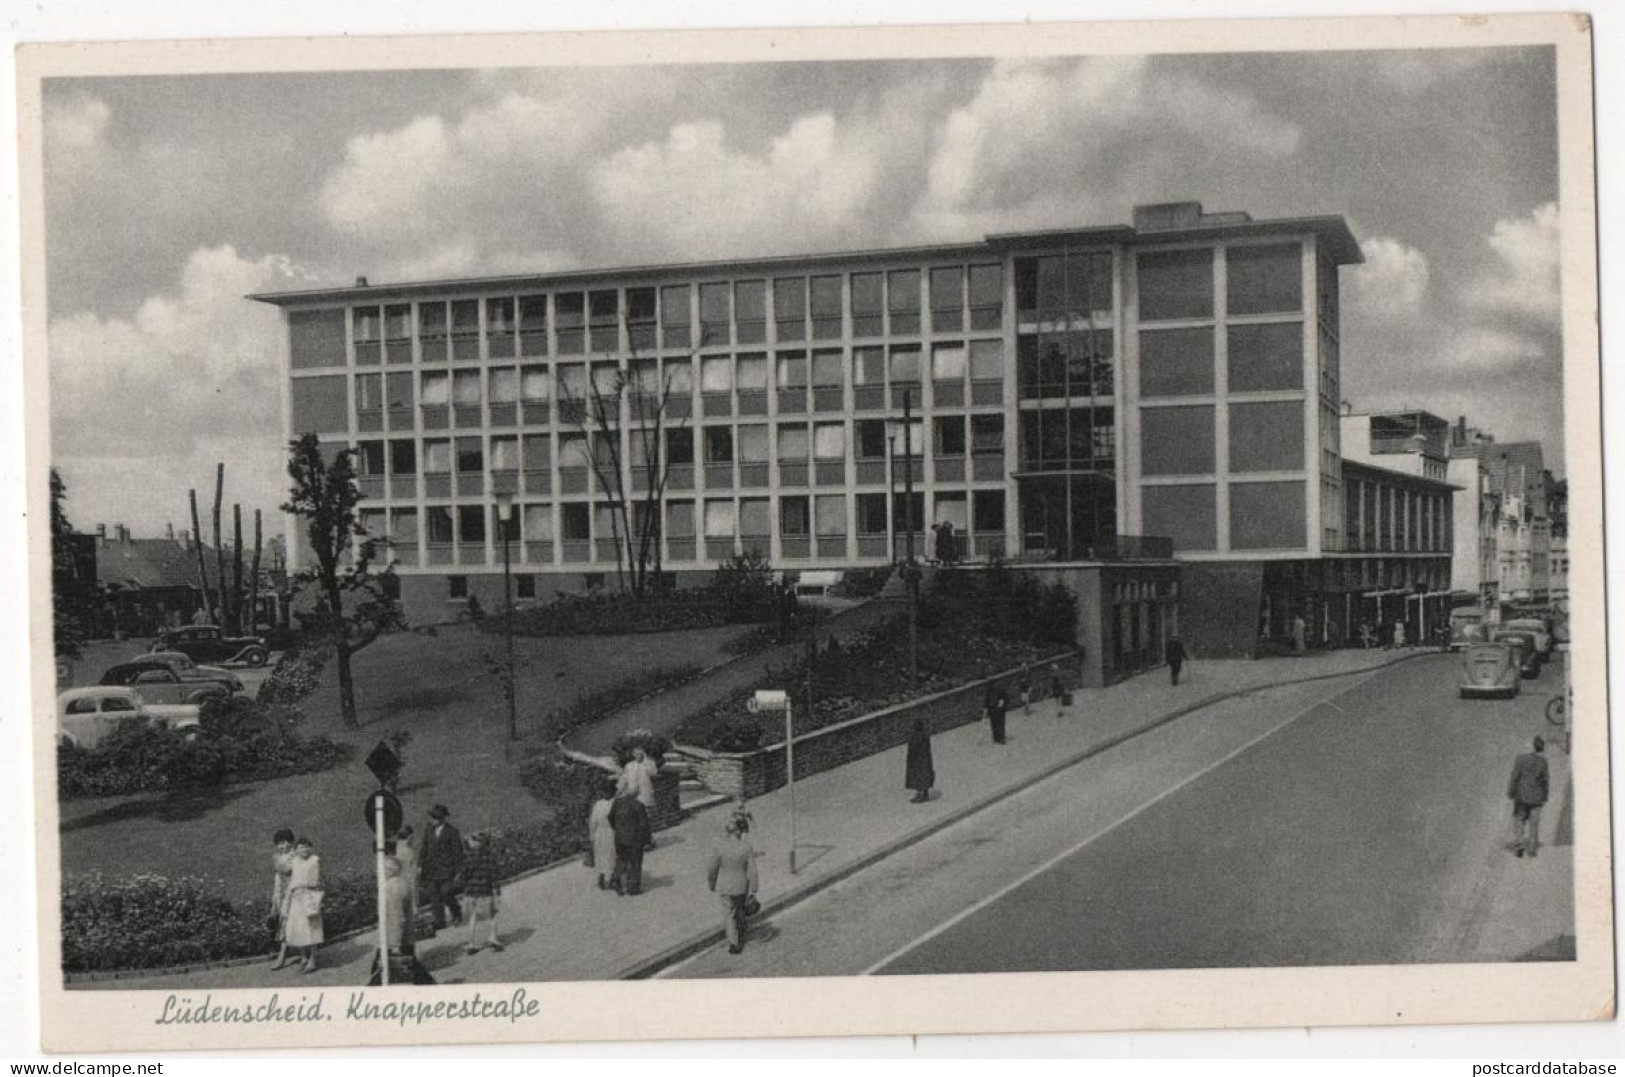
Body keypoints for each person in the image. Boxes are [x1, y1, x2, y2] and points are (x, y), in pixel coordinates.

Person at [706, 812, 760, 955]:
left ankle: (734, 943)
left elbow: (712, 868)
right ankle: (743, 931)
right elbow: (752, 870)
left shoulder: (720, 847)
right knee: (740, 908)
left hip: (725, 886)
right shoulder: (746, 847)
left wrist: (711, 884)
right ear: (739, 832)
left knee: (729, 914)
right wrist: (754, 888)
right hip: (742, 885)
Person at [418, 804, 465, 931]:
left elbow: (457, 852)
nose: (432, 821)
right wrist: (420, 865)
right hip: (431, 869)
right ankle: (440, 920)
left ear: (442, 819)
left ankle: (456, 912)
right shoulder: (428, 830)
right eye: (432, 818)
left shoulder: (452, 832)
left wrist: (458, 871)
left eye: (435, 818)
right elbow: (424, 848)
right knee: (433, 895)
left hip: (447, 870)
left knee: (446, 893)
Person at [282, 837, 324, 974]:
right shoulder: (293, 861)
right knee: (298, 926)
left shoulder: (315, 860)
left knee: (311, 927)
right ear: (296, 849)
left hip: (309, 895)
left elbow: (316, 880)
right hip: (296, 897)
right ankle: (303, 956)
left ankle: (313, 958)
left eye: (307, 846)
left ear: (311, 848)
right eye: (300, 847)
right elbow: (285, 872)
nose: (304, 849)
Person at [461, 832, 504, 954]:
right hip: (486, 889)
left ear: (476, 842)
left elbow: (464, 875)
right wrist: (498, 892)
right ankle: (493, 938)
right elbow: (495, 875)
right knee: (493, 913)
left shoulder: (469, 857)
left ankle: (471, 942)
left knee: (473, 916)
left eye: (472, 841)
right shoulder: (490, 856)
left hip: (472, 890)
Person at [1508, 736, 1551, 858]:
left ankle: (1519, 844)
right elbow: (1545, 781)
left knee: (1519, 819)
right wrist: (1545, 796)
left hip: (1521, 796)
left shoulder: (1520, 759)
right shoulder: (1543, 762)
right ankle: (1532, 850)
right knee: (1534, 823)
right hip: (1537, 798)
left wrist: (1511, 792)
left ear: (1532, 747)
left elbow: (1514, 777)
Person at [609, 789, 652, 896]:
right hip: (634, 839)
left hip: (620, 838)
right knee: (635, 862)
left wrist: (617, 830)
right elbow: (644, 823)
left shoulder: (617, 803)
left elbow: (610, 818)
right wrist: (647, 839)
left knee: (621, 858)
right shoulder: (638, 805)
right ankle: (633, 888)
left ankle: (615, 879)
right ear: (636, 794)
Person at [268, 828, 296, 970]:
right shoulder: (278, 858)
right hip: (284, 895)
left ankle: (306, 956)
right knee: (284, 924)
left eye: (285, 842)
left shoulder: (296, 856)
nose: (283, 846)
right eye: (279, 843)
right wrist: (276, 899)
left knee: (297, 924)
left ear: (291, 842)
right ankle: (283, 955)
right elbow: (278, 879)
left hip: (296, 893)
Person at [588, 780, 619, 892]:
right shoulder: (616, 803)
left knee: (601, 855)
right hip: (610, 832)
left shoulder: (598, 804)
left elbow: (593, 822)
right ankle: (609, 878)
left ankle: (602, 877)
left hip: (600, 833)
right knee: (610, 855)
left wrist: (591, 836)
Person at [904, 718, 935, 803]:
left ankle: (920, 795)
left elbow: (913, 748)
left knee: (918, 776)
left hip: (917, 759)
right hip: (925, 758)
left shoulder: (915, 736)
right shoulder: (925, 734)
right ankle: (925, 793)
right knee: (924, 775)